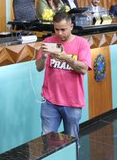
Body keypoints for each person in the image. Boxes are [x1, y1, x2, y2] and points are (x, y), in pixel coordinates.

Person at [35, 11, 91, 144]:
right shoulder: (48, 42)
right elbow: (39, 68)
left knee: (71, 141)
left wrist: (66, 58)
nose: (59, 33)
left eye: (63, 30)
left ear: (71, 26)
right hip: (49, 100)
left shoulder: (82, 44)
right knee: (47, 142)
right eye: (56, 29)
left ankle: (72, 158)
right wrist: (43, 58)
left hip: (72, 101)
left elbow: (83, 69)